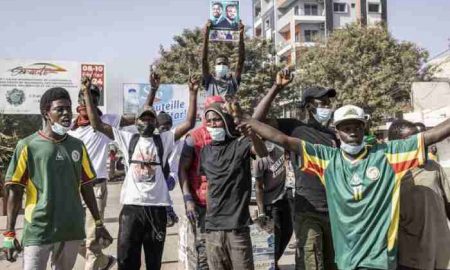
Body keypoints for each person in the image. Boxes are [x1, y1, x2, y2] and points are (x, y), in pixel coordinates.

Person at [242, 104, 450, 270]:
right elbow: (285, 140)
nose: (352, 133)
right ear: (337, 131)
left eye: (357, 127)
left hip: (379, 259)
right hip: (346, 259)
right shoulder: (327, 159)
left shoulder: (387, 155)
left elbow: (432, 136)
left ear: (364, 129)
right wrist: (248, 120)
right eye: (346, 128)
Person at [82, 74, 199, 270]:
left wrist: (193, 93)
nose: (146, 122)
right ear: (136, 123)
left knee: (154, 262)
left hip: (157, 209)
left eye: (150, 119)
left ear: (155, 123)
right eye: (142, 119)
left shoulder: (164, 140)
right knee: (127, 260)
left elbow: (189, 124)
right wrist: (86, 93)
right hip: (131, 209)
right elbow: (97, 125)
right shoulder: (128, 138)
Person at [2, 87, 112, 270]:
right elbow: (14, 191)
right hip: (39, 230)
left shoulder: (77, 146)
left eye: (68, 108)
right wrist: (9, 234)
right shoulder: (27, 146)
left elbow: (86, 187)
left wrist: (98, 223)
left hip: (71, 229)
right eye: (59, 109)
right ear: (46, 113)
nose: (66, 113)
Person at [252, 70, 337, 270]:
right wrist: (276, 88)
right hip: (308, 210)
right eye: (322, 103)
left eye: (328, 103)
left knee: (334, 263)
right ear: (309, 107)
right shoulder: (295, 128)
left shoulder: (335, 135)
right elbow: (256, 121)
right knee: (310, 263)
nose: (327, 107)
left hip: (335, 210)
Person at [69, 76, 139, 270]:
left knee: (92, 242)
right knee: (72, 239)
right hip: (72, 189)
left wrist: (151, 99)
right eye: (84, 97)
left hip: (95, 188)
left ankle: (96, 259)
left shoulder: (106, 121)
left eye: (92, 97)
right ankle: (104, 261)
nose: (87, 101)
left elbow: (138, 118)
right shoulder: (69, 127)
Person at [200, 101, 267, 270]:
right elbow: (209, 186)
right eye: (209, 121)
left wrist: (252, 135)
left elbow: (262, 152)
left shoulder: (240, 144)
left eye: (217, 120)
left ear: (226, 121)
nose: (212, 124)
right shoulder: (205, 151)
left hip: (237, 228)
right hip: (213, 229)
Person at [388, 119, 450, 270]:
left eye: (419, 137)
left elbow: (447, 204)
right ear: (397, 144)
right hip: (411, 256)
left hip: (440, 252)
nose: (419, 143)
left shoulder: (433, 167)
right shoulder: (389, 172)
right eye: (411, 139)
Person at [179, 95, 225, 270]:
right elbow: (182, 169)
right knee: (203, 249)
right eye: (211, 114)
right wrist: (187, 199)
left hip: (226, 205)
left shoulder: (232, 134)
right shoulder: (194, 137)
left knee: (222, 248)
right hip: (201, 203)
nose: (214, 119)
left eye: (220, 111)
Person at [253, 142, 293, 269]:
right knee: (275, 236)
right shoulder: (260, 161)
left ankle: (274, 261)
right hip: (270, 202)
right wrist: (261, 211)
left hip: (284, 198)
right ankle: (273, 264)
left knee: (288, 232)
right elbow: (258, 187)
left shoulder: (280, 149)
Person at [202, 19, 245, 98]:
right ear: (214, 66)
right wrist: (206, 35)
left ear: (228, 66)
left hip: (228, 110)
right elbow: (204, 61)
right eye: (219, 63)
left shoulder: (232, 81)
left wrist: (241, 35)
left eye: (224, 63)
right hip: (213, 109)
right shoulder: (209, 80)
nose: (221, 65)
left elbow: (241, 62)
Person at [156, 111, 179, 227]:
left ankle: (169, 213)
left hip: (171, 176)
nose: (166, 131)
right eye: (162, 128)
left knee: (161, 187)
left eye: (168, 128)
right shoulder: (155, 140)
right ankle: (169, 213)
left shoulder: (174, 139)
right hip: (161, 176)